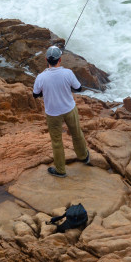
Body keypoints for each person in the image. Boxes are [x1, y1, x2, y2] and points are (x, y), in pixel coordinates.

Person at [33, 46, 90, 177]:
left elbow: (35, 94)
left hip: (52, 113)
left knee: (57, 142)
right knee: (77, 133)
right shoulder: (68, 73)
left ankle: (60, 170)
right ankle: (84, 157)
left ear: (47, 59)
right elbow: (79, 88)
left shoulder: (41, 77)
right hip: (69, 109)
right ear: (60, 59)